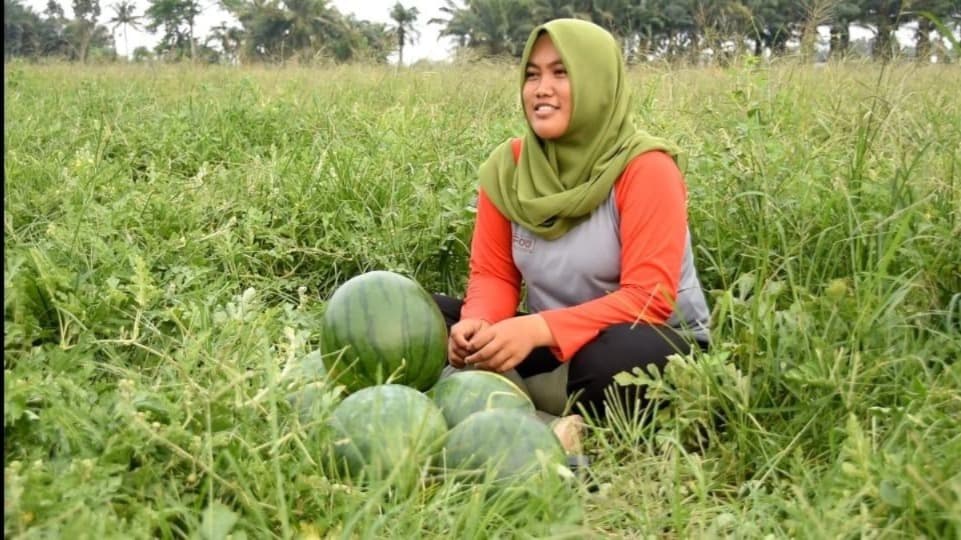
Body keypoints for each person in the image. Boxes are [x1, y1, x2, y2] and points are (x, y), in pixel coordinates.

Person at [433, 19, 711, 450]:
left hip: (646, 340)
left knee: (619, 358)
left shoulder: (646, 168)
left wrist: (536, 330)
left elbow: (649, 300)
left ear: (597, 82)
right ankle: (540, 412)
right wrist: (480, 326)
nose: (541, 88)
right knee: (428, 316)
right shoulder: (507, 168)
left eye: (561, 73)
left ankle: (516, 414)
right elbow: (494, 275)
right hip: (552, 341)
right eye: (532, 74)